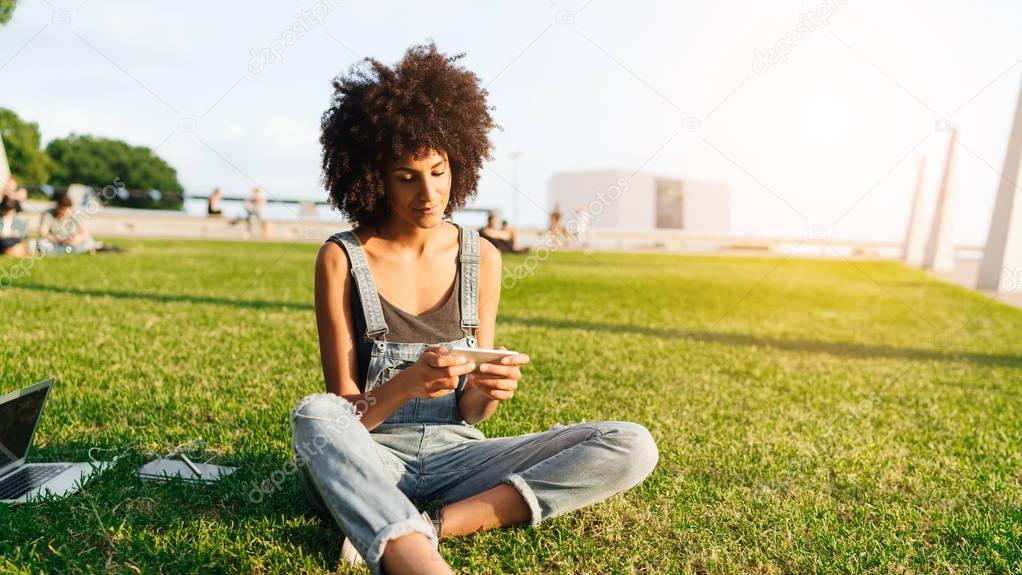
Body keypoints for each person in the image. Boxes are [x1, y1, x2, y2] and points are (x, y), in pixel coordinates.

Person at [291, 43, 658, 575]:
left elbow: (470, 415)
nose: (429, 193)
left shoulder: (480, 256)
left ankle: (435, 526)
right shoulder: (340, 259)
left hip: (458, 459)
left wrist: (486, 391)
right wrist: (407, 383)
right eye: (407, 176)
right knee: (314, 415)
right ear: (373, 176)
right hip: (369, 459)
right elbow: (347, 418)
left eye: (438, 171)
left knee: (630, 444)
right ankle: (416, 559)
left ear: (457, 161)